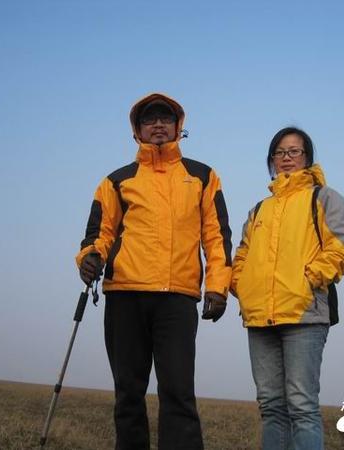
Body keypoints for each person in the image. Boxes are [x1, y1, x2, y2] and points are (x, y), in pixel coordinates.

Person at [76, 93, 232, 450]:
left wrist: (218, 286)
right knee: (128, 392)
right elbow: (99, 233)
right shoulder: (116, 180)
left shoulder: (203, 176)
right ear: (137, 130)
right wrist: (90, 257)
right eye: (149, 119)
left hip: (177, 298)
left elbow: (216, 236)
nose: (158, 124)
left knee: (178, 391)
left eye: (166, 118)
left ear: (179, 127)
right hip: (124, 295)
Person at [231, 127, 344, 450]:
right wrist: (244, 288)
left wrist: (308, 279)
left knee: (302, 405)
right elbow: (241, 256)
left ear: (307, 157)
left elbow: (343, 250)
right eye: (280, 152)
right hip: (259, 318)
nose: (286, 158)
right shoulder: (259, 209)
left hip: (304, 315)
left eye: (294, 151)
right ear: (271, 160)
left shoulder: (323, 197)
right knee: (271, 406)